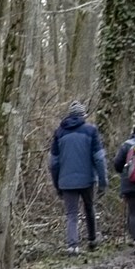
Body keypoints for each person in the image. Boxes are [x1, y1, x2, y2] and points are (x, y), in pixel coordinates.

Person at [48, 104, 105, 251]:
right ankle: (92, 240)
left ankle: (72, 246)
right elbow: (99, 158)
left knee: (71, 214)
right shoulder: (91, 131)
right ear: (83, 116)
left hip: (66, 180)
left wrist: (57, 184)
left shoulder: (59, 133)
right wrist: (103, 181)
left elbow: (53, 162)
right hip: (87, 179)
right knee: (89, 208)